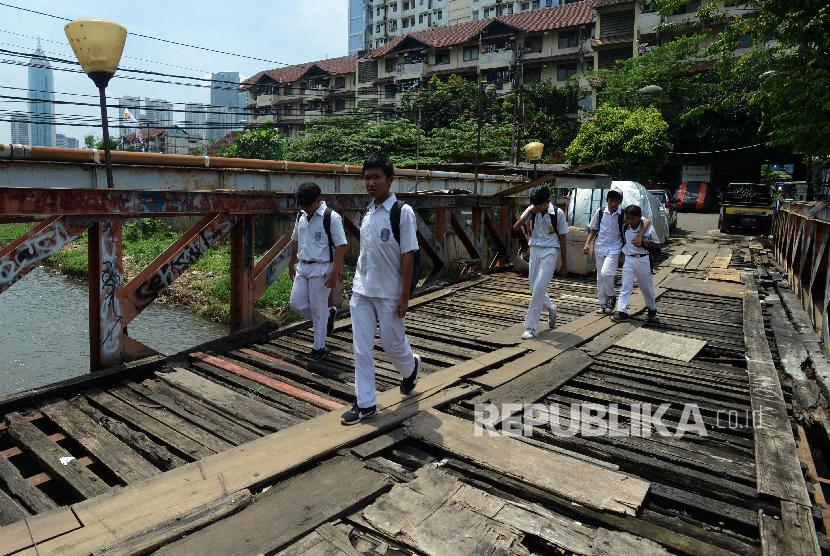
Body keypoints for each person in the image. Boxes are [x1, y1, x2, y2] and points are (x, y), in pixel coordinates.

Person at [341, 153, 421, 426]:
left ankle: (410, 369)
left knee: (392, 344)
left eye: (376, 177)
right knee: (361, 349)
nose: (371, 183)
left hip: (389, 292)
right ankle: (365, 403)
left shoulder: (402, 212)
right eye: (367, 178)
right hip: (362, 291)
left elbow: (408, 254)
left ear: (389, 179)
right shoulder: (368, 211)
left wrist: (404, 295)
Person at [288, 182, 348, 361]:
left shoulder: (331, 217)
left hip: (322, 267)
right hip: (303, 265)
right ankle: (327, 315)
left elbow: (341, 246)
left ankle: (319, 347)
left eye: (308, 205)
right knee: (296, 303)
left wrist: (335, 272)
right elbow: (295, 240)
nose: (305, 208)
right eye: (302, 205)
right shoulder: (302, 216)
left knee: (317, 307)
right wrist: (291, 263)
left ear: (318, 200)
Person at [513, 186, 569, 340]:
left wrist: (564, 263)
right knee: (534, 287)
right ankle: (551, 307)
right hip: (535, 249)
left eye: (540, 205)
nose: (537, 207)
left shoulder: (558, 213)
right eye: (535, 204)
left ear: (548, 201)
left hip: (550, 250)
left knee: (539, 288)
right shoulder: (532, 209)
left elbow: (563, 238)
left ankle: (531, 327)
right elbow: (516, 227)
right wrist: (531, 212)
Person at [583, 191, 650, 314]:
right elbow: (593, 229)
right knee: (600, 277)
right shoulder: (600, 212)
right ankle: (603, 304)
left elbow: (645, 221)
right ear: (607, 201)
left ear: (620, 202)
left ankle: (612, 296)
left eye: (617, 202)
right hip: (600, 247)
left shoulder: (623, 214)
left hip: (615, 248)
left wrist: (640, 235)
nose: (614, 204)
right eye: (611, 201)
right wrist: (587, 243)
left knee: (606, 274)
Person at [612, 204, 659, 322]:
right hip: (629, 259)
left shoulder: (648, 229)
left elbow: (657, 245)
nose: (630, 221)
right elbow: (624, 242)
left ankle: (652, 308)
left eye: (633, 218)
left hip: (643, 259)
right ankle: (621, 311)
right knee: (625, 286)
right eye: (628, 218)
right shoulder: (625, 228)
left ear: (640, 217)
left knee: (645, 287)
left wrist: (643, 241)